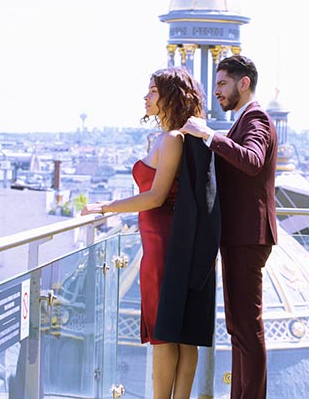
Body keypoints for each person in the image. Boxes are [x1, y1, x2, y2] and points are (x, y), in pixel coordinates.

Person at [82, 67, 214, 399]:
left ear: (171, 97)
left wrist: (107, 206)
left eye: (153, 91)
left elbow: (155, 196)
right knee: (182, 333)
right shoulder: (177, 137)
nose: (146, 97)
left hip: (162, 244)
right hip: (171, 240)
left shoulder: (171, 139)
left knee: (164, 332)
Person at [180, 54, 278, 399]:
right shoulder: (244, 121)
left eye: (222, 83)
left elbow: (252, 161)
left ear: (243, 83)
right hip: (242, 235)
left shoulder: (256, 119)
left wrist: (209, 135)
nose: (217, 91)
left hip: (248, 236)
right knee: (239, 327)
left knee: (247, 328)